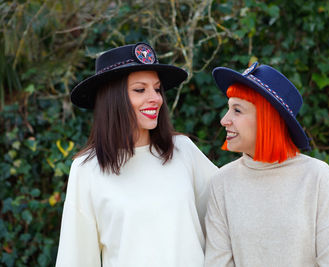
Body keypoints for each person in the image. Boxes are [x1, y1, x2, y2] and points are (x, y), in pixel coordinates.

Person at [55, 42, 218, 267]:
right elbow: (76, 258)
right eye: (140, 90)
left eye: (157, 88)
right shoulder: (87, 169)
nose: (156, 98)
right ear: (113, 99)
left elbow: (229, 211)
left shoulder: (183, 150)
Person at [204, 62, 329, 266]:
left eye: (237, 110)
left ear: (268, 118)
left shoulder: (315, 176)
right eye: (228, 109)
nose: (224, 120)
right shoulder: (221, 182)